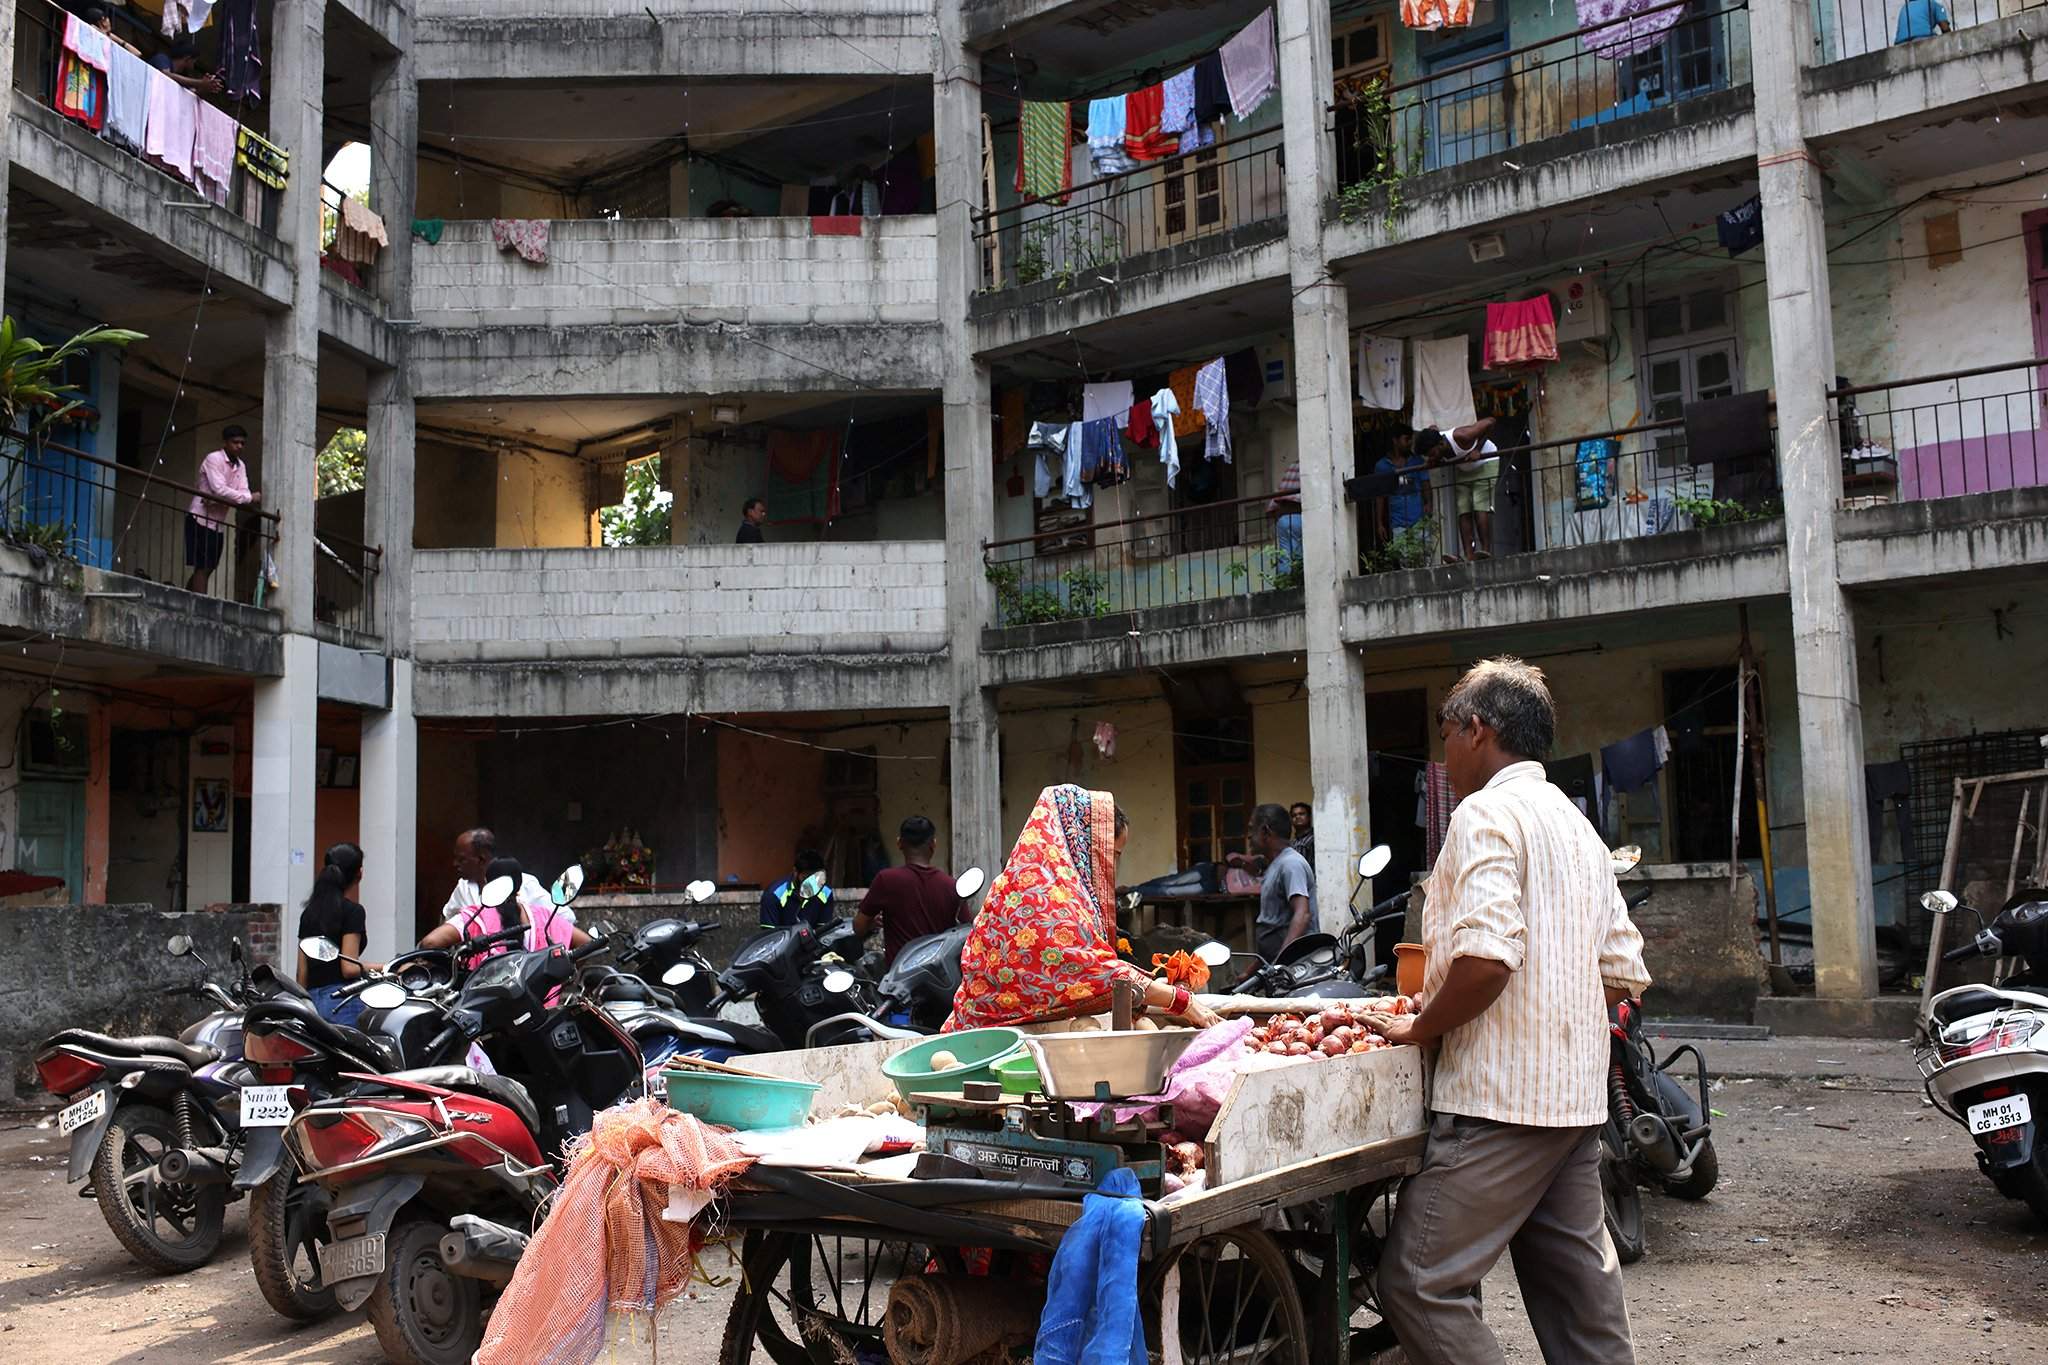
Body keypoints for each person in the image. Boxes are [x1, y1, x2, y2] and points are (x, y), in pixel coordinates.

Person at [1374, 658, 1650, 1365]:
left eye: (1446, 736)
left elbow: (1488, 960)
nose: (1443, 758)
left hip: (1499, 1104)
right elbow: (1622, 974)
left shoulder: (1486, 813)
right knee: (1581, 1306)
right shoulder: (1577, 826)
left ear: (1477, 728)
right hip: (1574, 1105)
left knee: (1417, 1282)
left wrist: (1419, 1023)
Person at [945, 785, 1221, 1032]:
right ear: (1090, 846)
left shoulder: (1021, 884)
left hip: (983, 1033)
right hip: (988, 1045)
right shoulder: (1045, 900)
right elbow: (1097, 971)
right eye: (1113, 855)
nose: (1112, 868)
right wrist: (1182, 1002)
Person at [419, 856, 590, 958]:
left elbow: (431, 942)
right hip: (542, 1009)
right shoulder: (544, 917)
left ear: (487, 883)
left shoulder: (475, 917)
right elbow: (587, 944)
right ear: (520, 884)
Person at [853, 816, 967, 967]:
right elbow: (967, 933)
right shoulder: (951, 885)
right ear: (933, 844)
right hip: (941, 981)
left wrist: (872, 925)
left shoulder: (886, 880)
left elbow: (859, 927)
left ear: (899, 843)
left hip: (899, 983)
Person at [297, 843, 373, 1025]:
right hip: (342, 1002)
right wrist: (388, 967)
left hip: (312, 1003)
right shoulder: (353, 911)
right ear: (359, 873)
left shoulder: (309, 913)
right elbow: (349, 968)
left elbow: (301, 974)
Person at [440, 828, 565, 928]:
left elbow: (564, 917)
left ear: (481, 859)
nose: (455, 864)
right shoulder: (463, 888)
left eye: (461, 859)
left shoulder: (524, 883)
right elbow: (447, 919)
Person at [185, 426, 258, 595]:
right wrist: (246, 497)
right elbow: (219, 489)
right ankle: (199, 603)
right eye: (235, 442)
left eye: (242, 443)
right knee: (202, 565)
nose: (239, 446)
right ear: (225, 442)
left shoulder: (241, 466)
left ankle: (188, 596)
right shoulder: (214, 459)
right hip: (199, 517)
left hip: (217, 523)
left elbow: (242, 490)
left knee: (210, 566)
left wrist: (238, 496)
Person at [1250, 804, 1314, 962]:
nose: (1248, 836)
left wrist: (1280, 962)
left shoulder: (1291, 864)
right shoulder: (1276, 864)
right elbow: (1274, 925)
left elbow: (1303, 914)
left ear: (1265, 832)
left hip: (1293, 967)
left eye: (1252, 830)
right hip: (1276, 966)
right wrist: (1250, 973)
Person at [1439, 416, 1500, 562]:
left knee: (1480, 505)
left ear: (1440, 444)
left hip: (1485, 462)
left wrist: (1478, 449)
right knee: (1463, 508)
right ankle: (1469, 555)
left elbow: (1491, 421)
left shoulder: (1461, 435)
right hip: (1464, 469)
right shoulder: (1434, 446)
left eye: (1433, 453)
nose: (1432, 457)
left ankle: (1485, 550)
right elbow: (1432, 428)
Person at [1374, 428, 1430, 551]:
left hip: (1419, 519)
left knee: (1425, 558)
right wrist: (1379, 523)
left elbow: (1425, 483)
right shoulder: (1382, 466)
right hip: (1398, 521)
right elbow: (1380, 496)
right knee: (1405, 561)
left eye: (1411, 439)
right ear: (1395, 441)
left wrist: (1428, 503)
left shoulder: (1417, 461)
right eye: (1406, 439)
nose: (1410, 443)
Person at [760, 848, 835, 931]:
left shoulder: (826, 894)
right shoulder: (774, 895)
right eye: (806, 877)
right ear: (795, 871)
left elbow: (824, 932)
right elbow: (769, 936)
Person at [152, 34, 224, 95]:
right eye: (194, 60)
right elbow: (166, 75)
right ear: (187, 58)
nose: (194, 64)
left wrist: (205, 87)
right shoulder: (162, 58)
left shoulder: (183, 76)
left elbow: (192, 94)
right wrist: (200, 82)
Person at [1268, 459, 1303, 579]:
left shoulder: (1292, 466)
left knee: (1284, 554)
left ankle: (1284, 581)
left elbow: (1275, 502)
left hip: (1283, 519)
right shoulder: (1310, 465)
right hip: (1300, 517)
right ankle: (1297, 580)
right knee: (1298, 553)